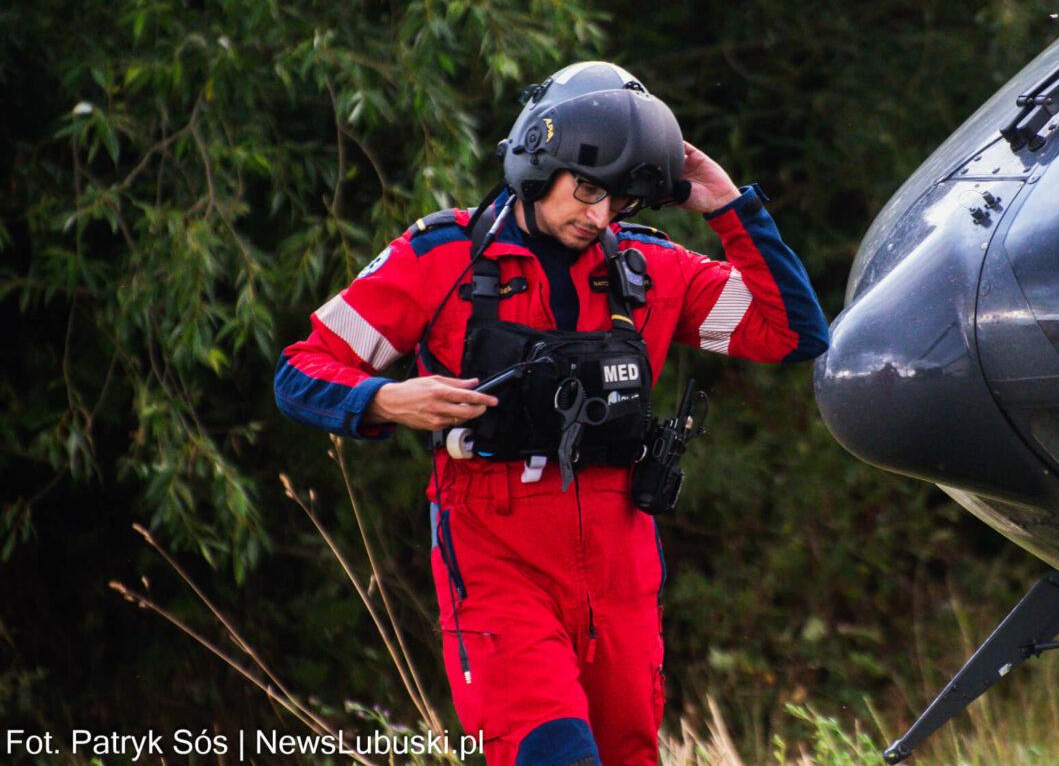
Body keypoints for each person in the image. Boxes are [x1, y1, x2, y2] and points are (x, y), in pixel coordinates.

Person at [273, 61, 829, 766]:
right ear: (538, 161)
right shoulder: (439, 259)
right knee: (553, 753)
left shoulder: (654, 271)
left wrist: (726, 205)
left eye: (620, 201)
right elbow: (299, 370)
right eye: (588, 188)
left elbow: (795, 332)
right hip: (493, 546)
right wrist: (381, 398)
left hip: (622, 553)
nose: (598, 215)